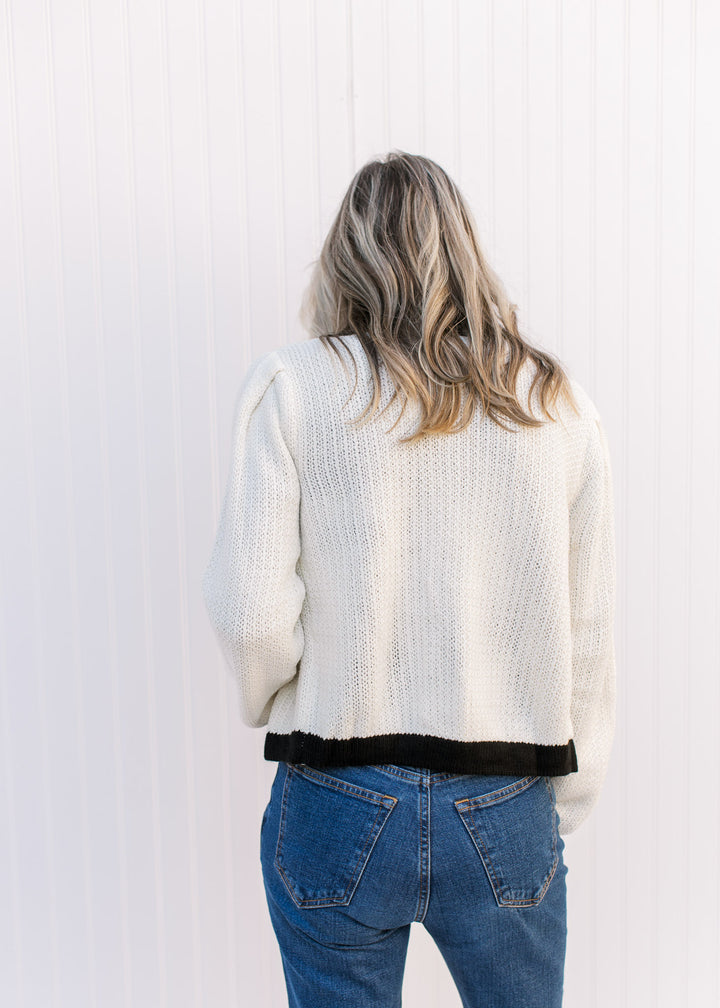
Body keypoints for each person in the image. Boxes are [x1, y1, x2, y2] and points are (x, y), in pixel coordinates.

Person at [201, 150, 616, 1008]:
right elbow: (587, 630)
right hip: (508, 794)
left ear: (344, 255)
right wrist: (563, 801)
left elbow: (250, 614)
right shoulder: (554, 402)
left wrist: (277, 702)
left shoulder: (295, 387)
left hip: (335, 791)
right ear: (465, 249)